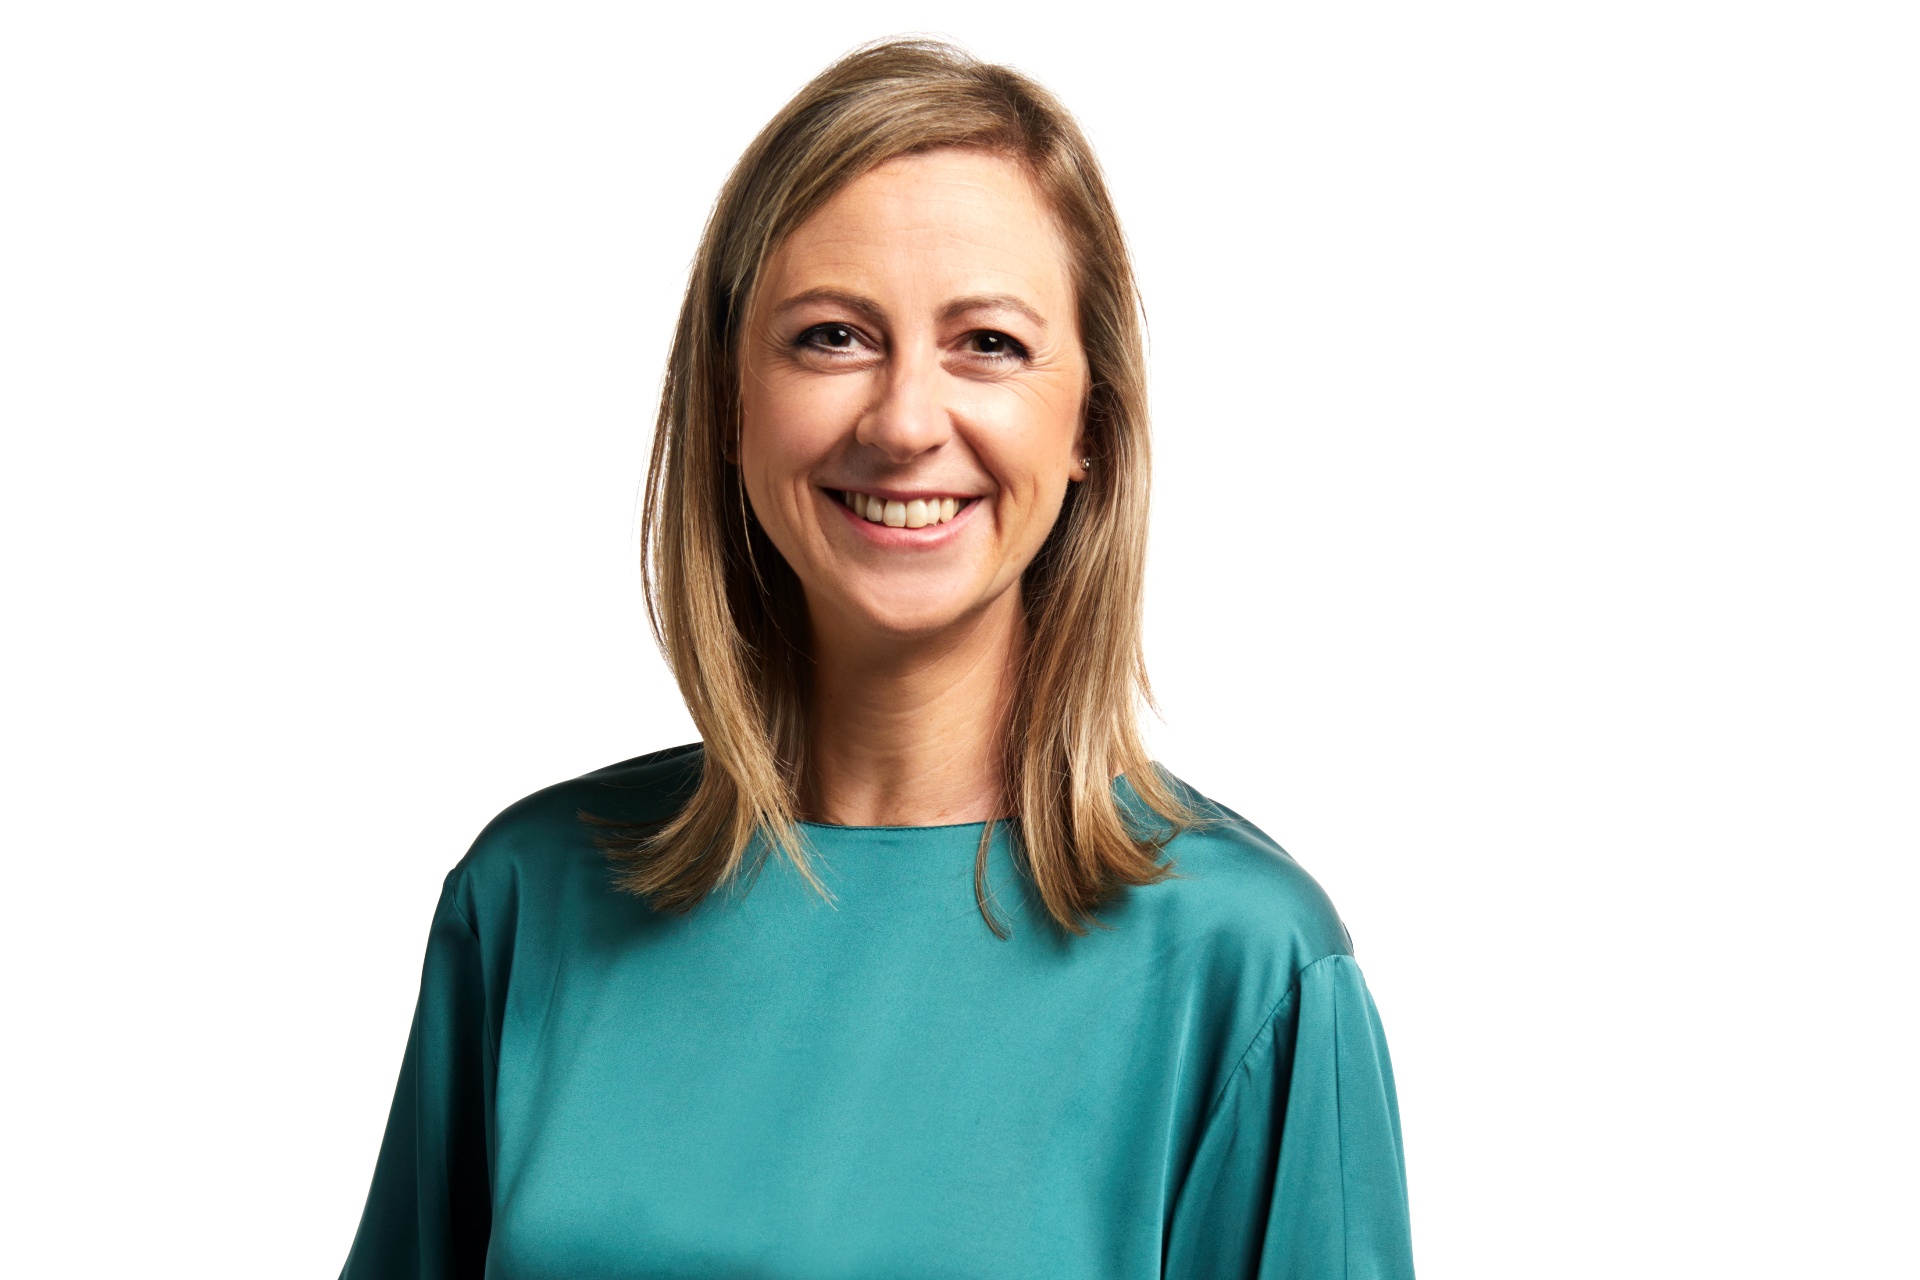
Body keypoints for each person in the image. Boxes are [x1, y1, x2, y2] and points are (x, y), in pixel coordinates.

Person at [340, 38, 1415, 1280]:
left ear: (1093, 425)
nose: (905, 422)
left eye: (989, 343)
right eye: (833, 336)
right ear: (730, 402)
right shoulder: (528, 898)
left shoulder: (1251, 964)